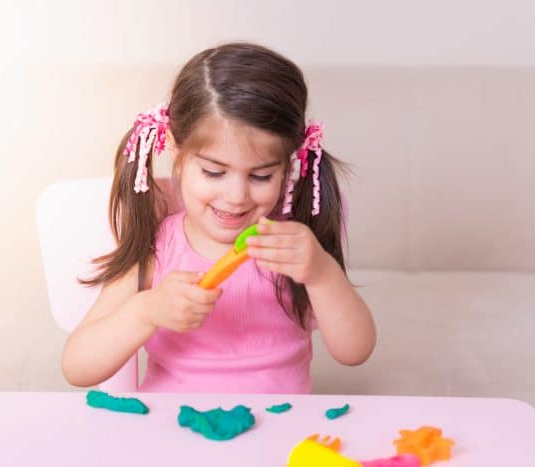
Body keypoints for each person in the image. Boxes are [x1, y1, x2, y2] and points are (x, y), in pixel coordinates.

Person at [62, 42, 376, 393]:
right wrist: (144, 311)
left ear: (289, 166)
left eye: (260, 177)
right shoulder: (159, 246)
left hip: (279, 426)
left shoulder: (291, 246)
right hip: (171, 427)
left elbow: (355, 351)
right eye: (214, 172)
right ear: (176, 152)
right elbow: (77, 366)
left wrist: (321, 272)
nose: (236, 196)